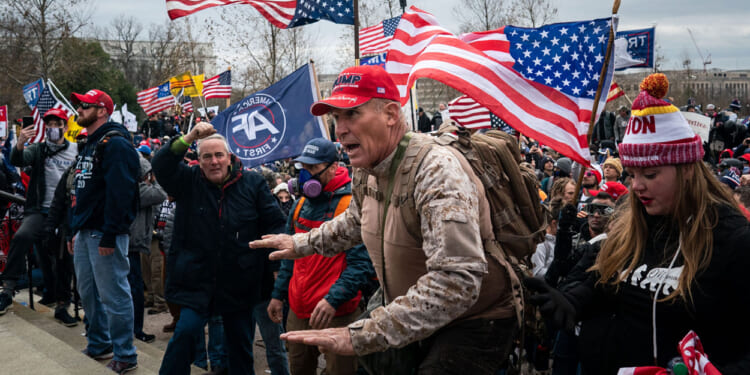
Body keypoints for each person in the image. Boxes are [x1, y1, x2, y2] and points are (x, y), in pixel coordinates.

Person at [250, 65, 517, 374]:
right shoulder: (367, 167)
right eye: (336, 118)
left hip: (472, 319)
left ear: (391, 114)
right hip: (411, 308)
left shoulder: (437, 171)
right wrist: (300, 243)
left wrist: (360, 335)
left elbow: (456, 283)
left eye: (352, 114)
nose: (340, 130)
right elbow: (356, 221)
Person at [526, 74, 750, 374]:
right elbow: (597, 279)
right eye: (632, 175)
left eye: (651, 175)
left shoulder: (733, 238)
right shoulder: (628, 224)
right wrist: (569, 301)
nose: (637, 186)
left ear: (686, 170)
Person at [151, 123, 287, 374]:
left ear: (229, 158)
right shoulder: (187, 181)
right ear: (199, 161)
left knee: (240, 346)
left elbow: (275, 225)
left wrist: (276, 267)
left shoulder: (253, 183)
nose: (214, 161)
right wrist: (190, 136)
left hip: (240, 282)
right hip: (196, 281)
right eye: (207, 156)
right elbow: (161, 165)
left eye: (218, 155)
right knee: (184, 334)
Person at [268, 138, 375, 375]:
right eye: (303, 168)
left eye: (313, 168)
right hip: (298, 309)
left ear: (335, 167)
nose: (306, 174)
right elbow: (290, 255)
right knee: (299, 368)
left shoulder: (350, 205)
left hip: (336, 311)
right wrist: (278, 295)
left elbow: (361, 264)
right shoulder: (299, 205)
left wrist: (333, 300)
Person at [68, 89, 140, 373]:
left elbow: (121, 194)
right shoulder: (90, 143)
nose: (79, 109)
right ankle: (99, 343)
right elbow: (81, 193)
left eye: (85, 105)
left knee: (115, 296)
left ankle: (125, 354)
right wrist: (75, 230)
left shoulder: (116, 144)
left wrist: (111, 233)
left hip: (105, 233)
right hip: (86, 231)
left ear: (101, 111)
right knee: (87, 293)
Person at [0, 108, 78, 327]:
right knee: (22, 236)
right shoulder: (38, 149)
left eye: (58, 124)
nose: (54, 128)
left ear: (65, 126)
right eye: (50, 124)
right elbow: (18, 158)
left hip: (63, 213)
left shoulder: (76, 150)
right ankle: (7, 289)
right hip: (39, 209)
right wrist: (20, 142)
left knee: (63, 256)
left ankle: (63, 304)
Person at [126, 154, 167, 344]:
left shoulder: (129, 187)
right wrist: (153, 176)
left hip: (131, 242)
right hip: (132, 244)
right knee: (134, 288)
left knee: (142, 280)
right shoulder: (140, 189)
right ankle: (136, 329)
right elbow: (160, 193)